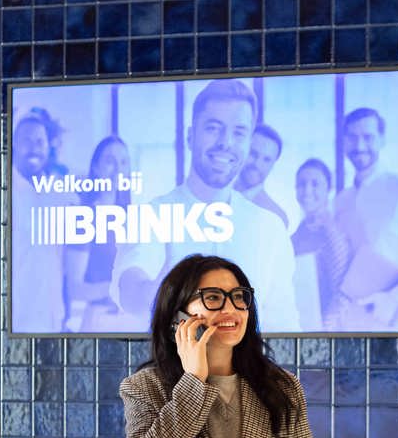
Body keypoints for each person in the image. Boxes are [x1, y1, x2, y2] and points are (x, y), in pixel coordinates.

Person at [120, 254, 327, 438]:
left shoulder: (283, 388)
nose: (231, 308)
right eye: (213, 298)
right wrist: (193, 380)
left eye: (239, 297)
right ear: (178, 316)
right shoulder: (145, 387)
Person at [110, 79, 300, 333]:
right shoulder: (152, 214)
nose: (226, 142)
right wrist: (159, 294)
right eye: (213, 128)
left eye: (239, 133)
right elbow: (130, 288)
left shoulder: (269, 228)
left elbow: (284, 325)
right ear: (190, 136)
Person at [332, 107, 398, 332]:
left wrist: (392, 298)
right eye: (352, 137)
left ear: (382, 140)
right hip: (349, 318)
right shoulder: (341, 201)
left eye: (368, 137)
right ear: (344, 142)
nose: (359, 146)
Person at [64, 135, 130, 331]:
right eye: (110, 160)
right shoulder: (84, 217)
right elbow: (74, 289)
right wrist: (113, 291)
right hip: (99, 321)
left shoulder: (134, 216)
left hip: (131, 320)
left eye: (124, 162)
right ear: (95, 167)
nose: (118, 169)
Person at [11, 111, 67, 333]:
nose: (34, 147)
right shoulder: (7, 191)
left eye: (39, 141)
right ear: (14, 144)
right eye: (26, 140)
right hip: (18, 317)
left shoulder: (61, 190)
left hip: (54, 315)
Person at [290, 158, 348, 329]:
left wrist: (323, 329)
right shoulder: (298, 233)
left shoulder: (331, 233)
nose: (307, 191)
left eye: (315, 184)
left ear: (328, 189)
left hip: (324, 327)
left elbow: (342, 293)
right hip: (299, 321)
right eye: (301, 184)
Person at [234, 123, 289, 228]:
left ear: (273, 165)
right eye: (253, 154)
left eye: (266, 160)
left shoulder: (276, 217)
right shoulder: (213, 194)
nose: (257, 164)